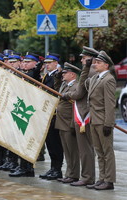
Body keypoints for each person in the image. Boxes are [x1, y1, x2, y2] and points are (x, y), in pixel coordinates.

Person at [62, 46, 99, 187]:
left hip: (85, 114)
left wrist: (66, 95)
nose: (82, 60)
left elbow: (78, 94)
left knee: (86, 149)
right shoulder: (89, 71)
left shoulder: (90, 72)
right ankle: (86, 176)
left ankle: (87, 177)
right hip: (82, 113)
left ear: (91, 59)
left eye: (84, 58)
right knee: (84, 149)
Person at [81, 51, 116, 190]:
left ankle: (109, 180)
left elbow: (110, 104)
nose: (95, 64)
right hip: (94, 120)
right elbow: (83, 83)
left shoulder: (109, 79)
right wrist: (86, 67)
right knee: (99, 152)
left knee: (107, 152)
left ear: (106, 65)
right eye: (95, 62)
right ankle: (102, 178)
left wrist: (108, 123)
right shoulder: (95, 78)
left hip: (103, 121)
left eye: (98, 62)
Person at [54, 62, 81, 184]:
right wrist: (57, 76)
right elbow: (56, 86)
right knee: (67, 150)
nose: (63, 75)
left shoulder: (76, 86)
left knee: (72, 151)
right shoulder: (65, 85)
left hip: (69, 123)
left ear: (72, 74)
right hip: (61, 122)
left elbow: (75, 108)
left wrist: (72, 124)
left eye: (65, 73)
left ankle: (74, 175)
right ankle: (69, 174)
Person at [39, 53, 64, 180]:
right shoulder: (45, 77)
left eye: (49, 63)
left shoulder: (58, 76)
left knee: (56, 143)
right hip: (46, 113)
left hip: (54, 114)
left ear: (56, 63)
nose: (47, 65)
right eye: (46, 63)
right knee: (49, 143)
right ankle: (53, 168)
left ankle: (57, 169)